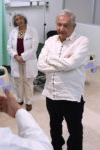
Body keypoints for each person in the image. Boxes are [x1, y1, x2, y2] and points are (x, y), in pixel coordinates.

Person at [37, 9, 89, 150]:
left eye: (66, 25)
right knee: (54, 127)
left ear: (74, 26)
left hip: (71, 95)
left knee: (75, 131)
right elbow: (40, 64)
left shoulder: (82, 42)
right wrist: (63, 62)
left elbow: (71, 64)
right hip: (51, 94)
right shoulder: (49, 41)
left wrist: (50, 59)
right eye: (59, 24)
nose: (61, 28)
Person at [7, 14, 39, 111]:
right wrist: (16, 56)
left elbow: (34, 48)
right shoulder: (13, 32)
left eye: (21, 18)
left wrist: (23, 57)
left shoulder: (32, 31)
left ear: (24, 19)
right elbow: (9, 47)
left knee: (28, 82)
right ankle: (19, 99)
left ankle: (29, 102)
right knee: (18, 81)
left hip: (28, 60)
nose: (19, 20)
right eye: (17, 19)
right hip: (16, 60)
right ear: (15, 22)